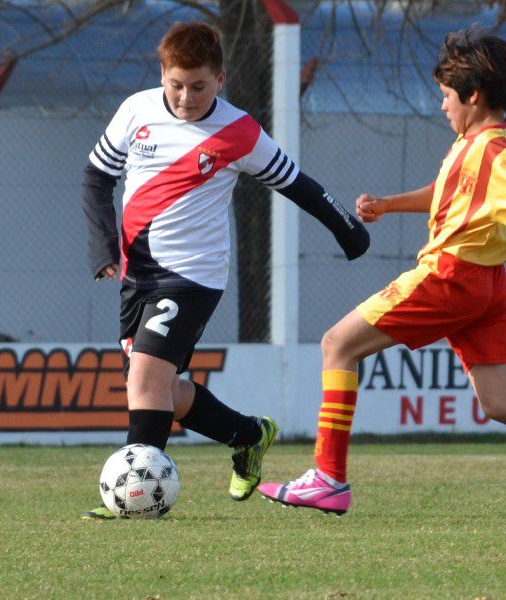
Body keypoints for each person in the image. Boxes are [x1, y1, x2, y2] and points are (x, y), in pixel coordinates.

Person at [259, 29, 506, 524]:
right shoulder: (473, 144)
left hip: (449, 277)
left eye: (447, 96)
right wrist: (388, 205)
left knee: (338, 344)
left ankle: (328, 478)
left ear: (473, 96)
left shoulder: (493, 150)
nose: (442, 106)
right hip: (485, 288)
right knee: (501, 400)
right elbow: (447, 192)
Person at [80, 22, 369, 519]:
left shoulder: (239, 133)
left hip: (192, 277)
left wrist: (350, 231)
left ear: (221, 77)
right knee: (164, 392)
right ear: (162, 74)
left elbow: (297, 184)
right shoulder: (136, 111)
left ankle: (132, 499)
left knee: (146, 381)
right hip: (135, 276)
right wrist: (103, 247)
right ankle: (248, 435)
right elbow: (95, 177)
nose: (186, 97)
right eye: (176, 85)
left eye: (199, 86)